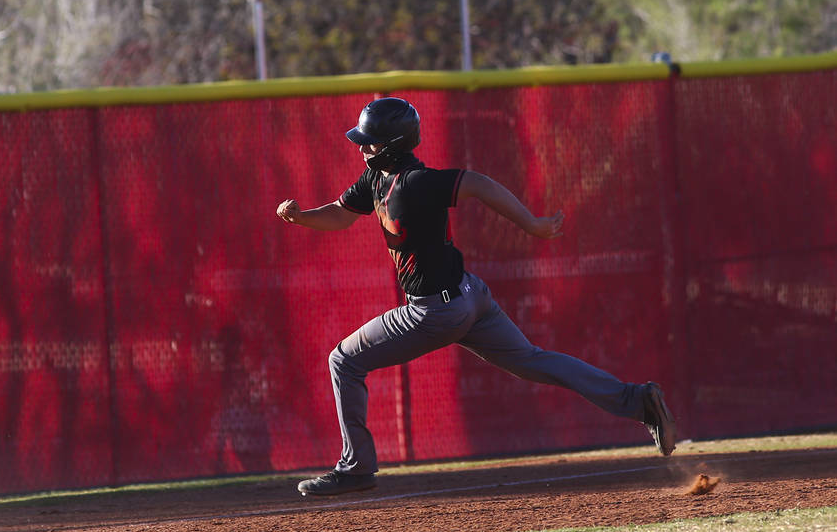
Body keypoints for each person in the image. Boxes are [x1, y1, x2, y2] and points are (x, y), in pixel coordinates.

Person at [275, 96, 677, 497]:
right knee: (532, 361)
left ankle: (356, 467)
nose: (362, 148)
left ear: (394, 144)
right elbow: (340, 215)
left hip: (435, 311)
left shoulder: (417, 182)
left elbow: (479, 185)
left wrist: (532, 225)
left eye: (371, 142)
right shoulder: (377, 180)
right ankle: (638, 401)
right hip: (471, 297)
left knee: (343, 360)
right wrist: (301, 217)